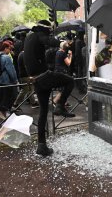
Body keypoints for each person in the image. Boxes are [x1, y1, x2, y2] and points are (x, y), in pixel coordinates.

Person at [23, 20, 75, 156]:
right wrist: (61, 43)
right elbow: (48, 40)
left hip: (36, 79)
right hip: (43, 75)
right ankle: (60, 105)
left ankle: (42, 146)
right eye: (50, 29)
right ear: (45, 28)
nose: (51, 31)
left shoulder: (29, 37)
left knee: (43, 112)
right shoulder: (39, 34)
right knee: (70, 81)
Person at [0, 41, 18, 120]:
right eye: (9, 49)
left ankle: (3, 115)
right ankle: (0, 111)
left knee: (1, 99)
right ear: (5, 48)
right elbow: (11, 71)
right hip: (5, 81)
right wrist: (15, 80)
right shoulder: (6, 57)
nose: (10, 51)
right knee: (12, 95)